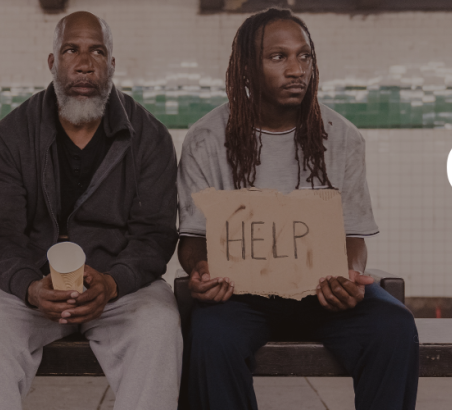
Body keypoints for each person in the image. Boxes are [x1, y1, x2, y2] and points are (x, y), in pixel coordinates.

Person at [176, 8, 419, 410]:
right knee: (209, 336)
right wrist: (200, 271)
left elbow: (352, 235)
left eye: (304, 56)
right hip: (242, 296)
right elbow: (192, 240)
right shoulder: (205, 139)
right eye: (278, 57)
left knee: (394, 325)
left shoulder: (341, 137)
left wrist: (347, 275)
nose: (296, 69)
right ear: (248, 69)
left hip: (320, 292)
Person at [0, 11, 181, 410]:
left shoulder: (150, 137)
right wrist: (30, 286)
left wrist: (113, 283)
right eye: (71, 50)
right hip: (35, 290)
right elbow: (0, 232)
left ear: (111, 64)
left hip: (118, 289)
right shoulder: (12, 135)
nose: (83, 63)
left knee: (159, 326)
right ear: (52, 62)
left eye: (97, 51)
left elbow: (155, 233)